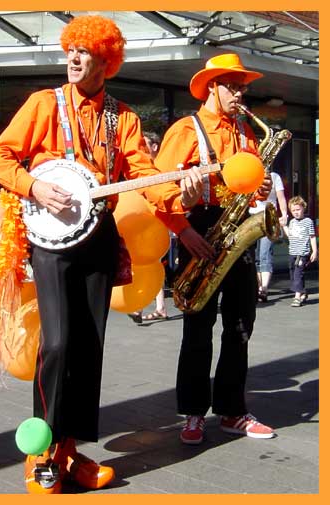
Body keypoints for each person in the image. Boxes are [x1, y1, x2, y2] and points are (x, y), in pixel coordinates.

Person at [0, 15, 207, 493]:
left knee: (89, 349)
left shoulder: (122, 118)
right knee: (59, 342)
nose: (74, 57)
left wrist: (181, 208)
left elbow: (146, 178)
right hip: (50, 240)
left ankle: (70, 452)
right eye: (71, 50)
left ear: (106, 62)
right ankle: (40, 449)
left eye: (85, 52)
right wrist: (35, 186)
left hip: (99, 238)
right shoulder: (44, 104)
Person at [154, 53, 275, 444]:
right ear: (212, 87)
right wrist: (184, 231)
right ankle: (192, 413)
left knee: (240, 327)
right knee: (197, 329)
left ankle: (232, 410)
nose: (241, 93)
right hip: (201, 230)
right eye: (234, 86)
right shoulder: (184, 131)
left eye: (243, 87)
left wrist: (263, 189)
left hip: (237, 228)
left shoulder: (246, 133)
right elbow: (158, 191)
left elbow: (252, 185)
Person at [128, 131, 168, 323]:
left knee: (150, 262)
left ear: (154, 147)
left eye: (145, 145)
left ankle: (140, 306)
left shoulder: (160, 167)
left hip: (156, 221)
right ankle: (158, 307)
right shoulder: (138, 168)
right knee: (149, 262)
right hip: (143, 221)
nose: (141, 149)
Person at [249, 171, 288, 302]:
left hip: (268, 218)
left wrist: (284, 215)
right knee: (253, 255)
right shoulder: (250, 174)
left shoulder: (275, 176)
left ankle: (263, 289)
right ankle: (257, 286)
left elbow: (281, 197)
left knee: (265, 254)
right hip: (251, 218)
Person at [283, 196, 318, 307]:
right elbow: (290, 236)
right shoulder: (292, 222)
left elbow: (312, 237)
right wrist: (284, 226)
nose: (296, 212)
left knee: (298, 273)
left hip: (302, 253)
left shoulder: (308, 221)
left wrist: (315, 251)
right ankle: (302, 292)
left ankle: (297, 297)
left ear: (303, 208)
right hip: (292, 252)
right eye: (293, 210)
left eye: (298, 209)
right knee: (293, 274)